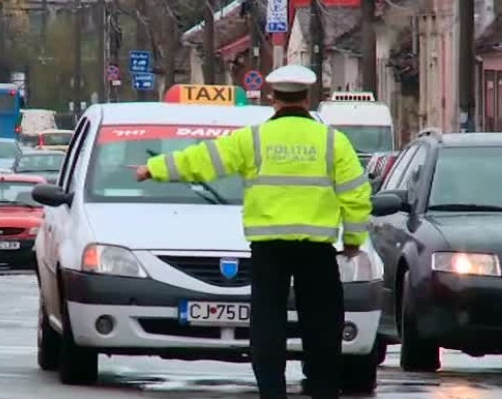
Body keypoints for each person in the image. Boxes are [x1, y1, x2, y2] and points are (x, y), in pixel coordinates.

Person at [134, 64, 372, 399]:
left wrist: (153, 169)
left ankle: (272, 391)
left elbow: (203, 160)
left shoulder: (254, 138)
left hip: (269, 249)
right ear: (308, 98)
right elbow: (357, 194)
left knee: (267, 323)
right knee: (321, 325)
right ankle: (322, 389)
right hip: (316, 251)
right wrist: (351, 240)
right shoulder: (333, 141)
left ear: (273, 98)